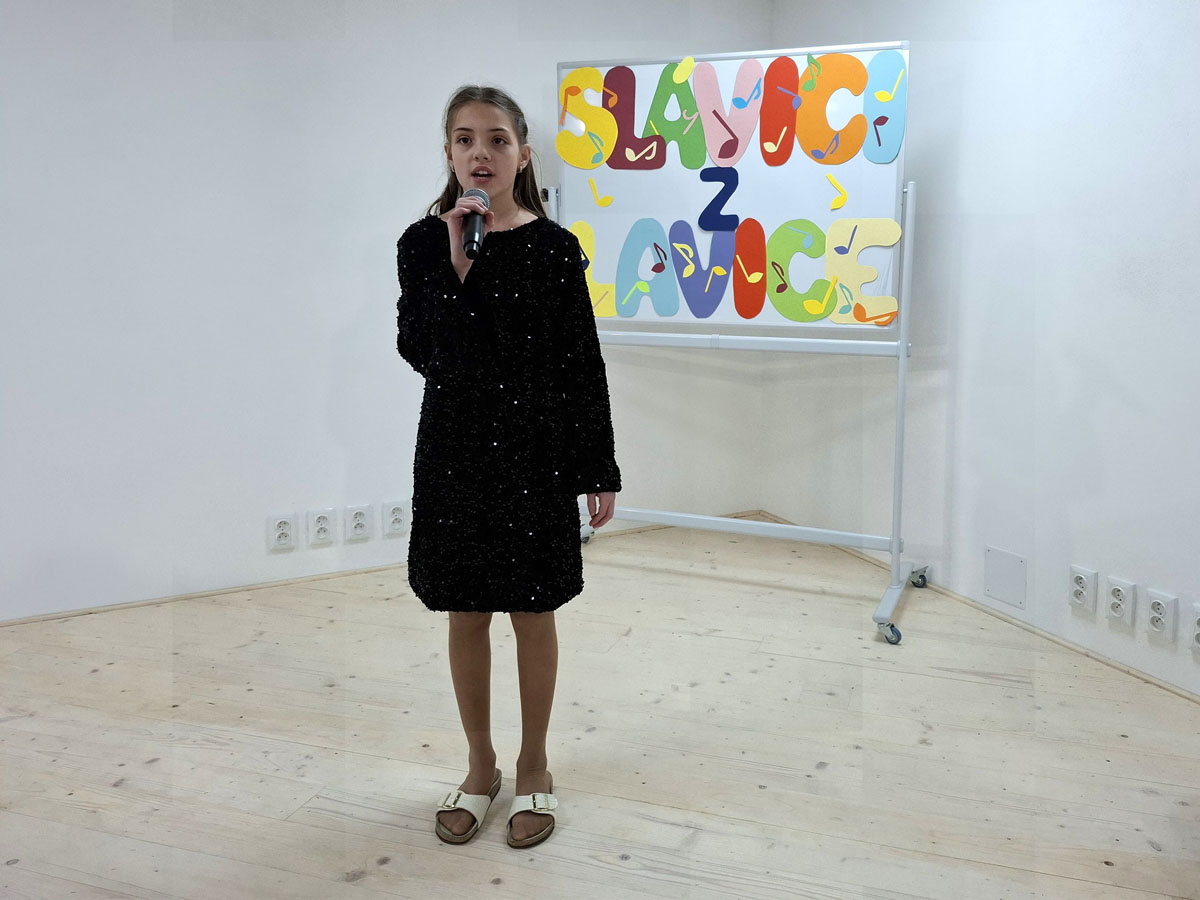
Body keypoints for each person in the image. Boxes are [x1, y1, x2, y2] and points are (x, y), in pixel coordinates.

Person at [395, 85, 621, 849]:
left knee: (533, 611)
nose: (480, 153)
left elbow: (580, 363)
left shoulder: (555, 248)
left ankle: (534, 766)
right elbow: (421, 350)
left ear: (523, 154)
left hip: (536, 453)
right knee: (465, 610)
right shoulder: (423, 244)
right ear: (449, 153)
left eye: (496, 138)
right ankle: (480, 766)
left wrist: (598, 465)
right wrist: (458, 262)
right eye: (465, 139)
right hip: (454, 452)